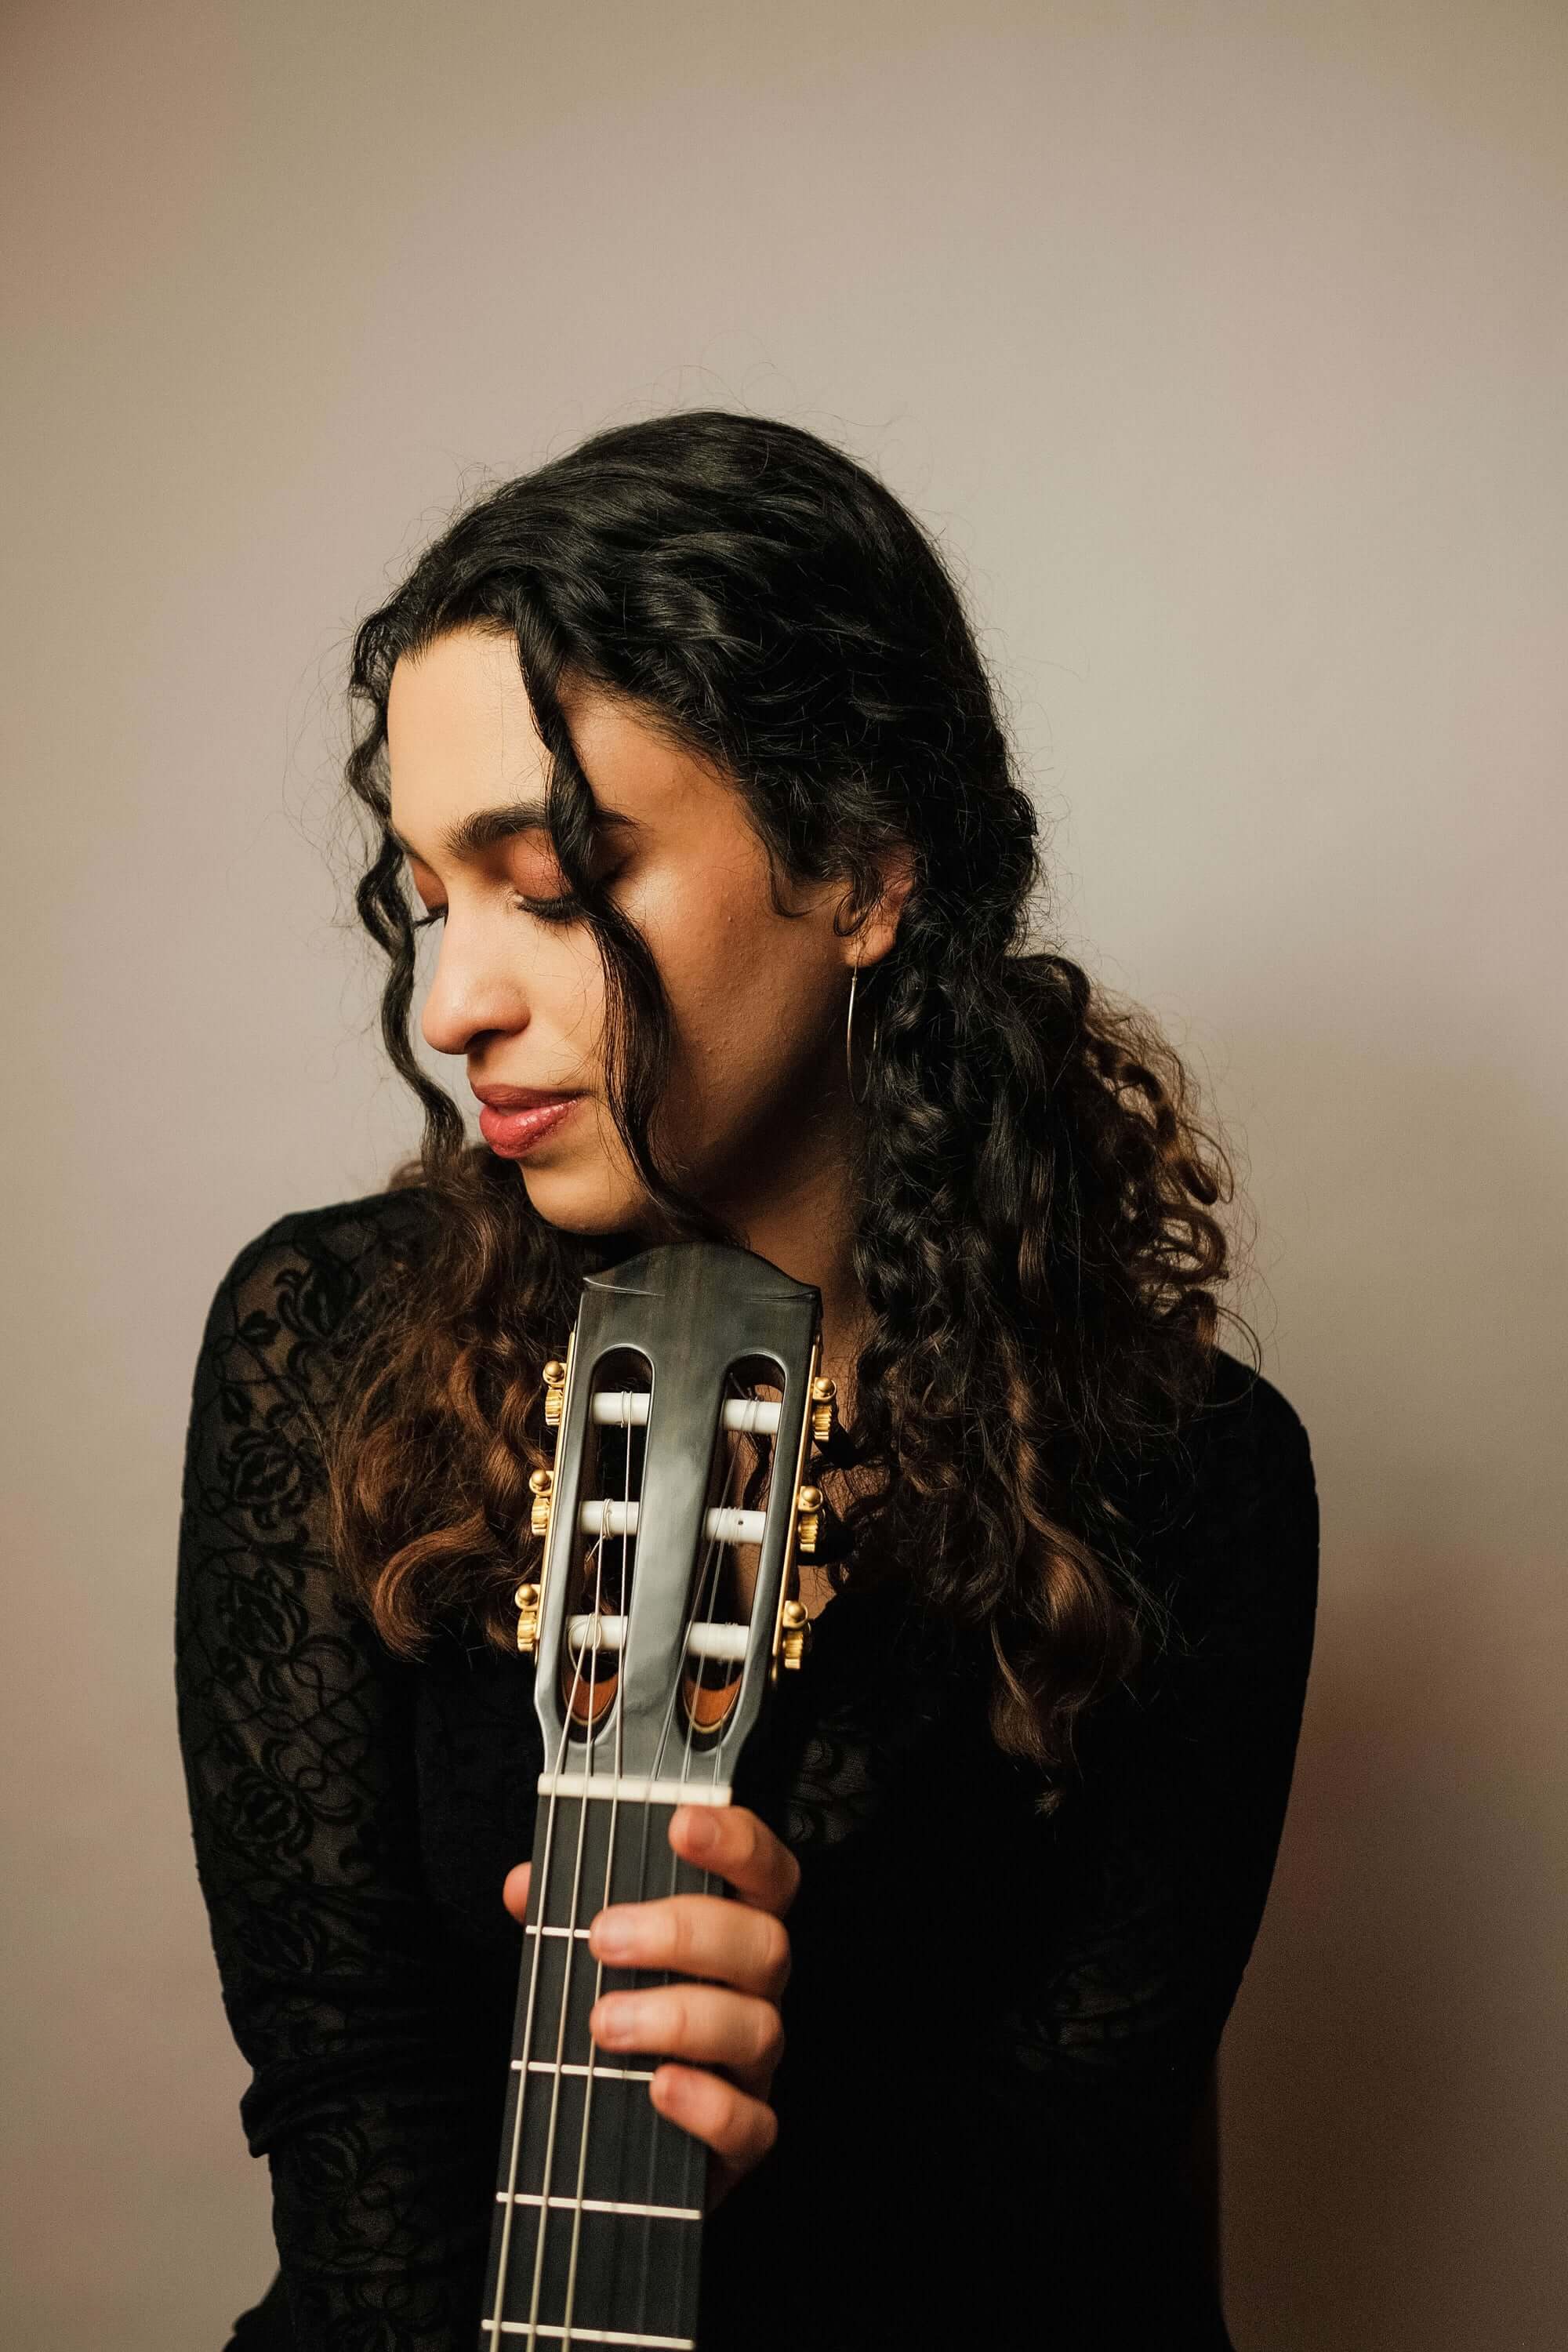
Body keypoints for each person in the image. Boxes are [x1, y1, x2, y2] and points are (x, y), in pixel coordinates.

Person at [175, 409, 1319, 2351]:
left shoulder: (1183, 1475)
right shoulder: (331, 1345)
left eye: (548, 882)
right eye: (429, 893)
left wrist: (801, 2096)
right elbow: (350, 2094)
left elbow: (1076, 2214)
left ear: (860, 866)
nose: (450, 1002)